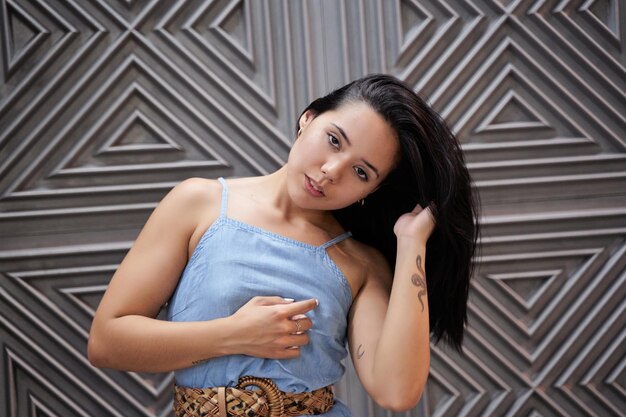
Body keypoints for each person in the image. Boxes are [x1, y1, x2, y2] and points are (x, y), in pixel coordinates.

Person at [88, 74, 480, 416]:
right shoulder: (198, 203)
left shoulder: (361, 263)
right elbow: (108, 341)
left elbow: (396, 392)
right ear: (307, 118)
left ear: (372, 190)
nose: (331, 171)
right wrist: (234, 334)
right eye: (333, 140)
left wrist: (412, 243)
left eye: (361, 172)